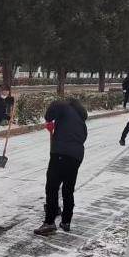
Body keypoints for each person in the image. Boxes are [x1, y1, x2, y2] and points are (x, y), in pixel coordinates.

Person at [34, 98, 88, 236]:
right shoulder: (80, 120)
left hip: (60, 153)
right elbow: (81, 137)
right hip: (76, 156)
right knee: (68, 189)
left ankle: (49, 222)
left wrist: (48, 120)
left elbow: (51, 112)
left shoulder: (63, 106)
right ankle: (66, 221)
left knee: (52, 187)